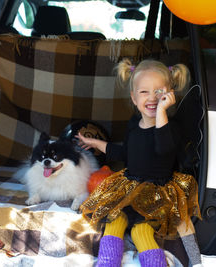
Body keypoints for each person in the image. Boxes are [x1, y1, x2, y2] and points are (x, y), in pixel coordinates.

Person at [77, 58, 202, 267]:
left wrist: (161, 112)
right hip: (129, 187)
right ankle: (107, 262)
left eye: (159, 91)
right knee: (114, 220)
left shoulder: (171, 128)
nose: (153, 98)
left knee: (140, 230)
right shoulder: (134, 124)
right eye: (144, 92)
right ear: (134, 98)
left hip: (157, 194)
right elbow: (127, 153)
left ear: (170, 95)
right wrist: (96, 143)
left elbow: (163, 148)